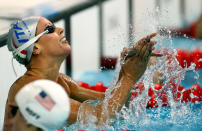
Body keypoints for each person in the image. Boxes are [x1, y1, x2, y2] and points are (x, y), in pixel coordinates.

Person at [3, 16, 161, 131]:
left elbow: (113, 106)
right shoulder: (31, 90)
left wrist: (126, 68)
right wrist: (129, 77)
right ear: (35, 48)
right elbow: (100, 121)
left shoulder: (61, 81)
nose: (60, 29)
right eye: (49, 29)